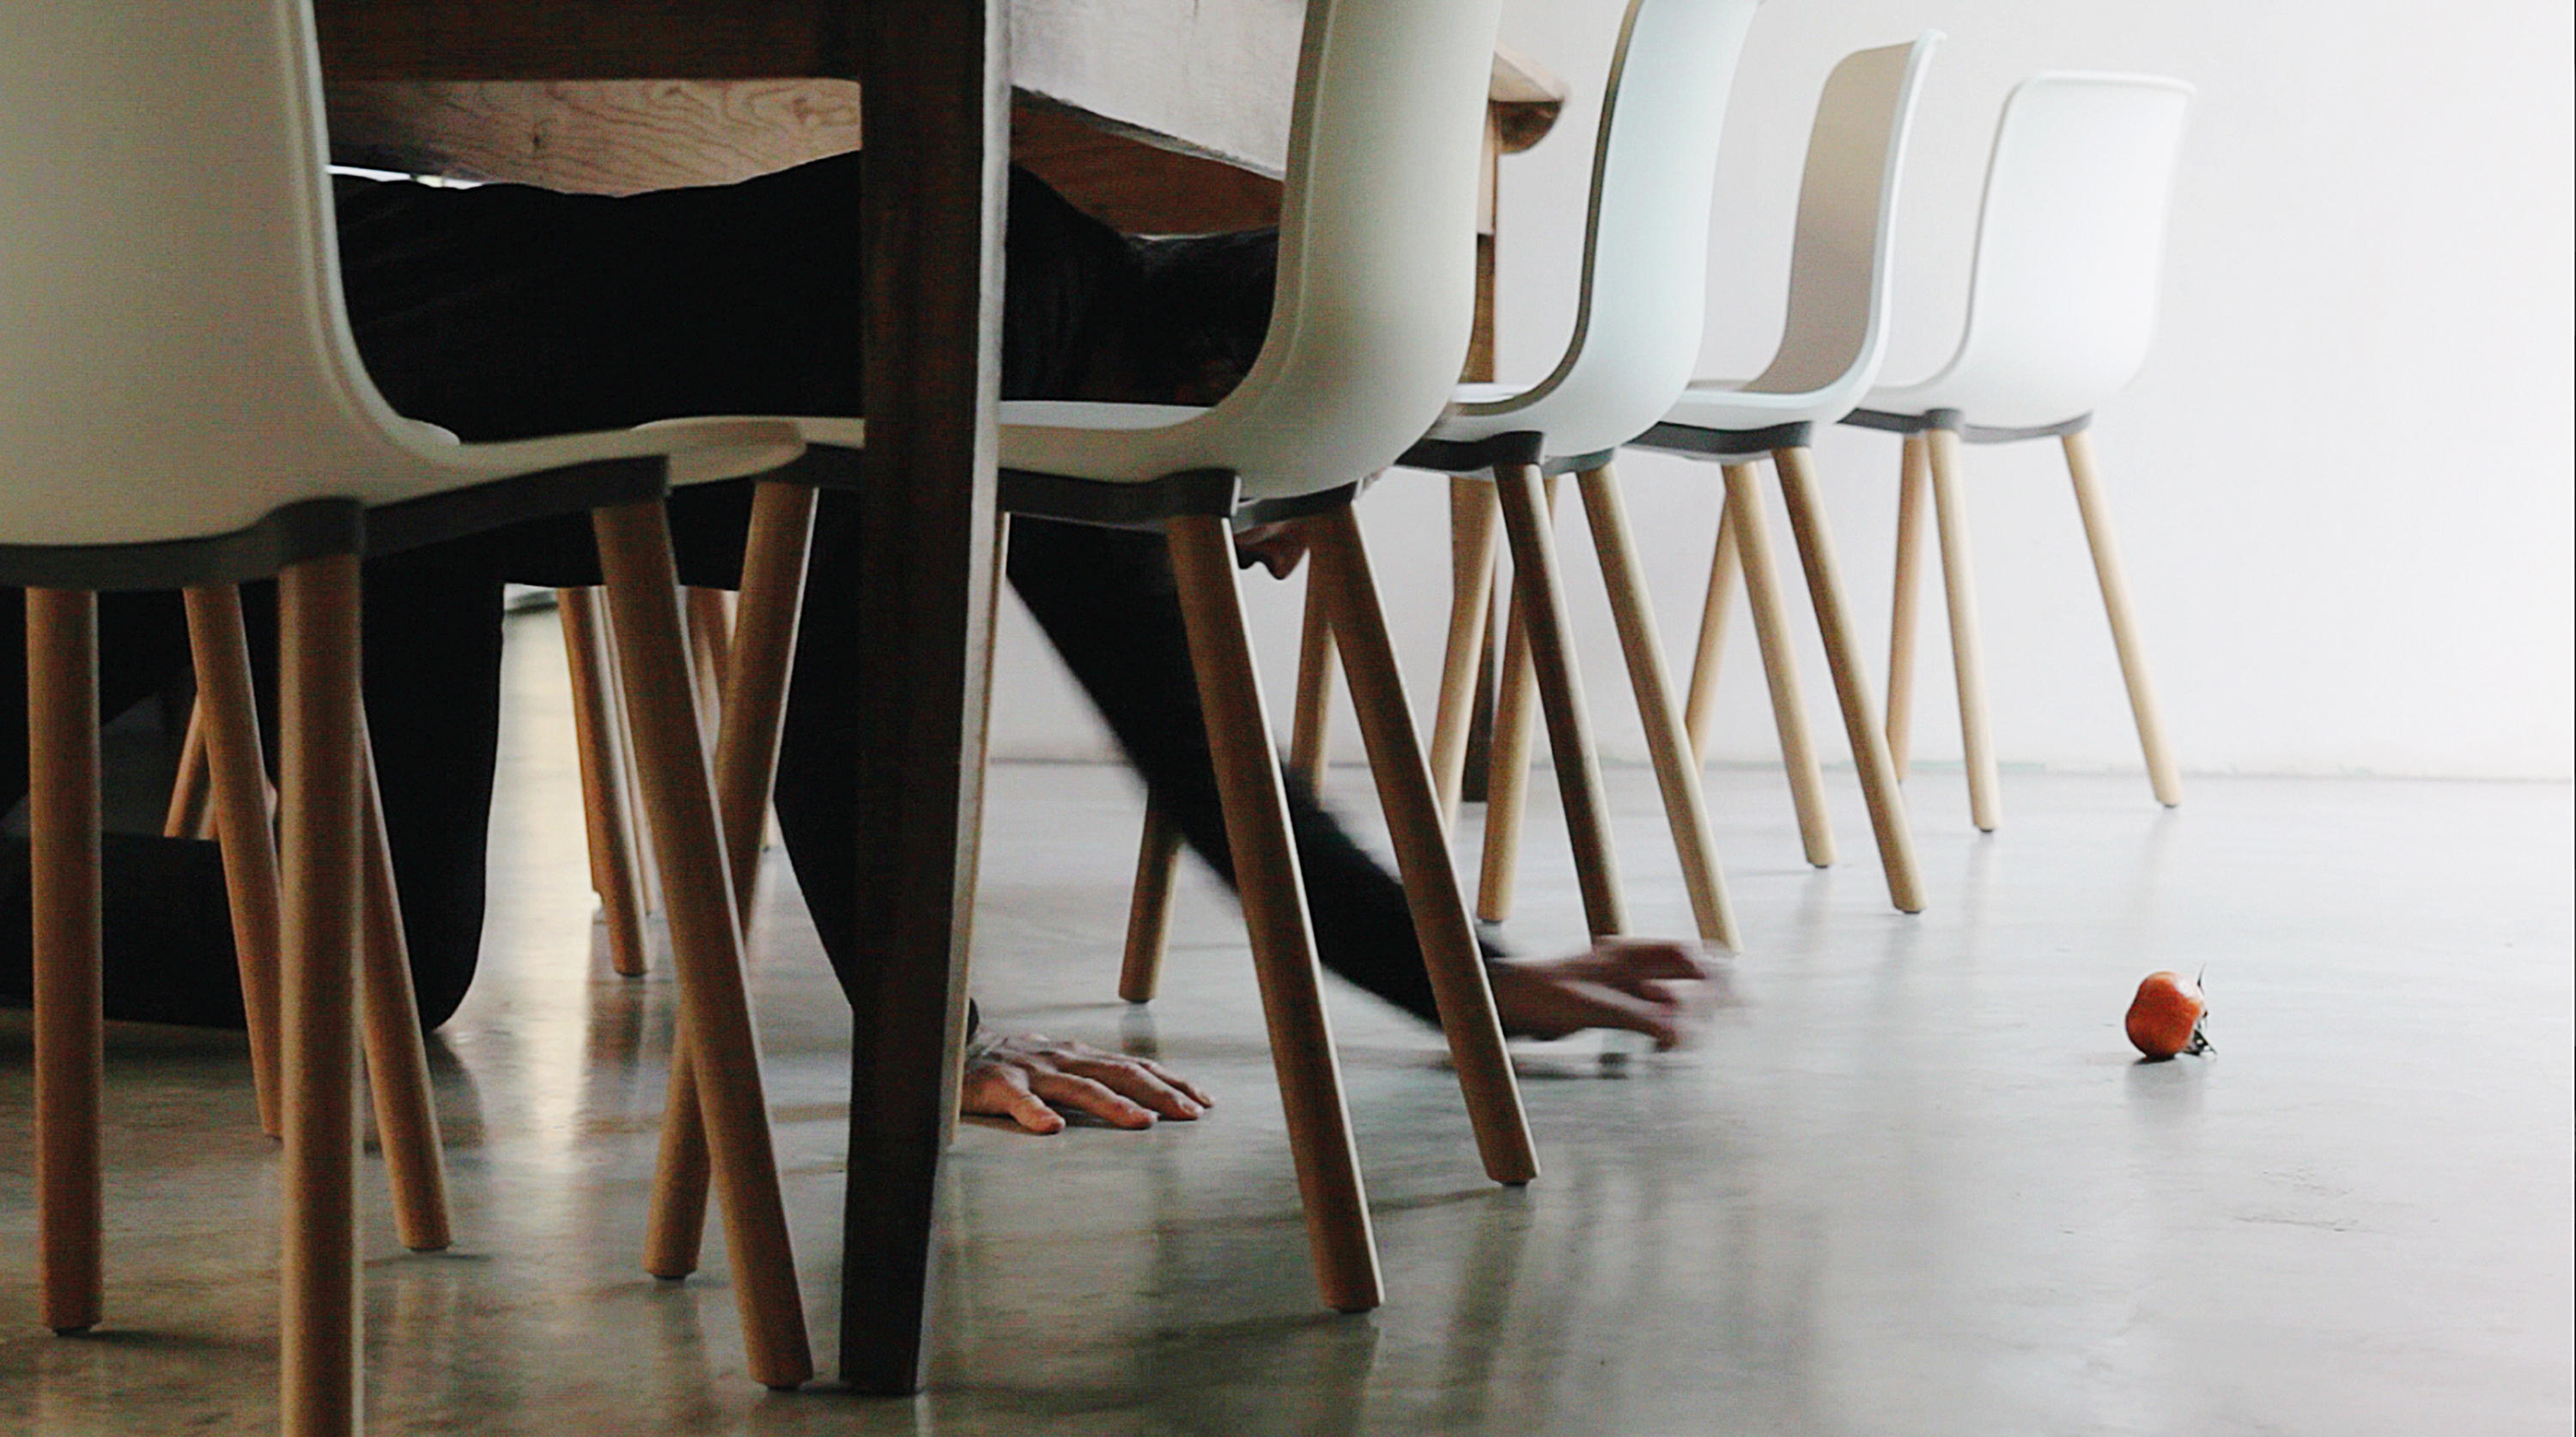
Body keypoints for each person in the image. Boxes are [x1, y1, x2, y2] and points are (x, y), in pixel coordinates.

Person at [0, 155, 1720, 1134]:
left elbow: (1188, 733)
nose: (1272, 556)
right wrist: (936, 1040)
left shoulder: (1060, 370)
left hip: (395, 491)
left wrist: (1467, 974)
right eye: (1301, 497)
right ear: (1218, 380)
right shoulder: (998, 291)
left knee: (386, 972)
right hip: (215, 372)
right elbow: (843, 676)